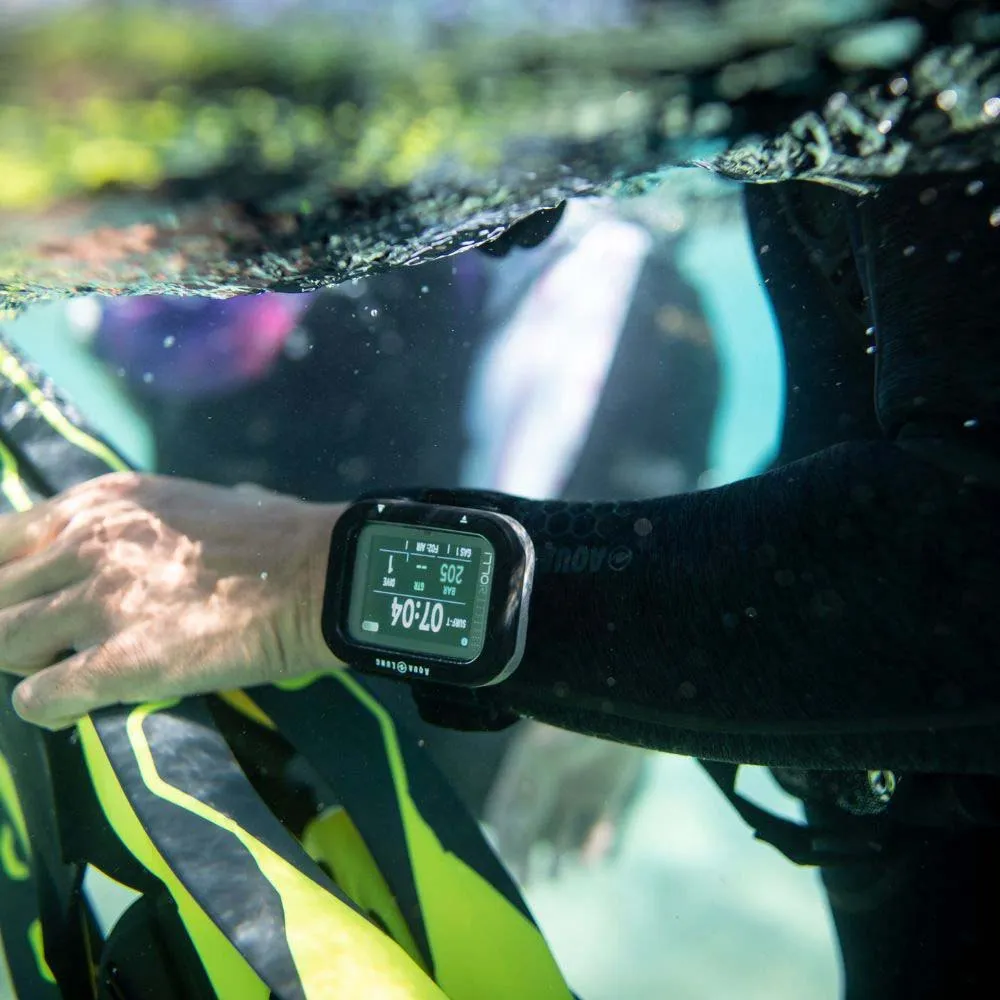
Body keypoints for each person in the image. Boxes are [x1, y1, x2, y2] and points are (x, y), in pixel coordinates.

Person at [0, 170, 998, 999]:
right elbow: (866, 448)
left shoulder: (947, 102)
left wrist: (319, 576)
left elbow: (965, 581)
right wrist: (668, 650)